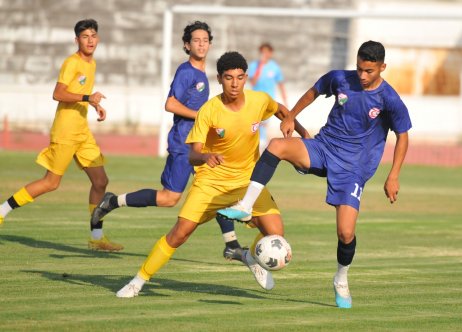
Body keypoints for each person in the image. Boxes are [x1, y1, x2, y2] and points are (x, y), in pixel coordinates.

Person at [219, 41, 412, 309]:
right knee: (277, 145)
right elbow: (313, 92)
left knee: (345, 233)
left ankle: (340, 279)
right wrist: (291, 117)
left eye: (369, 71)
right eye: (359, 69)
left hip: (353, 168)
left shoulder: (389, 99)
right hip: (324, 147)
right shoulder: (339, 79)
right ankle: (246, 205)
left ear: (382, 67)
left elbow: (402, 136)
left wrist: (394, 175)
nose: (363, 76)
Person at [115, 51, 310, 298]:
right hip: (211, 183)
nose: (235, 83)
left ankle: (250, 257)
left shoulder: (259, 101)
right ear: (219, 78)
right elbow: (193, 154)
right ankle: (138, 281)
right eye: (229, 78)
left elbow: (281, 110)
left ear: (246, 78)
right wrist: (207, 157)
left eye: (240, 77)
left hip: (247, 183)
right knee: (179, 234)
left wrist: (302, 132)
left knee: (276, 233)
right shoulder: (209, 111)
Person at [90, 22, 245, 261]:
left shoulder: (202, 73)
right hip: (184, 144)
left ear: (210, 44)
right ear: (186, 45)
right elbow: (170, 104)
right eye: (196, 40)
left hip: (199, 144)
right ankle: (114, 200)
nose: (201, 44)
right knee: (168, 198)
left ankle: (232, 244)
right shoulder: (186, 72)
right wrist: (204, 116)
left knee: (217, 188)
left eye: (205, 40)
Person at [0, 19, 123, 251]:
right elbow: (58, 93)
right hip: (66, 131)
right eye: (85, 36)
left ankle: (97, 238)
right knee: (51, 183)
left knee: (100, 181)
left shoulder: (92, 63)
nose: (90, 40)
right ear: (76, 40)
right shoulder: (71, 62)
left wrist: (94, 105)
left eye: (93, 35)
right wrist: (88, 99)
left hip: (82, 132)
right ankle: (2, 211)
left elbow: (79, 92)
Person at [247, 43, 288, 154]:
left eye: (266, 52)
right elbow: (252, 82)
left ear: (270, 53)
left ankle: (261, 145)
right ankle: (256, 146)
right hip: (255, 99)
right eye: (262, 52)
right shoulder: (254, 66)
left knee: (263, 123)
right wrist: (260, 67)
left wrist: (285, 101)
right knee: (255, 123)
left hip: (269, 101)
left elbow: (280, 84)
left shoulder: (274, 67)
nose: (264, 54)